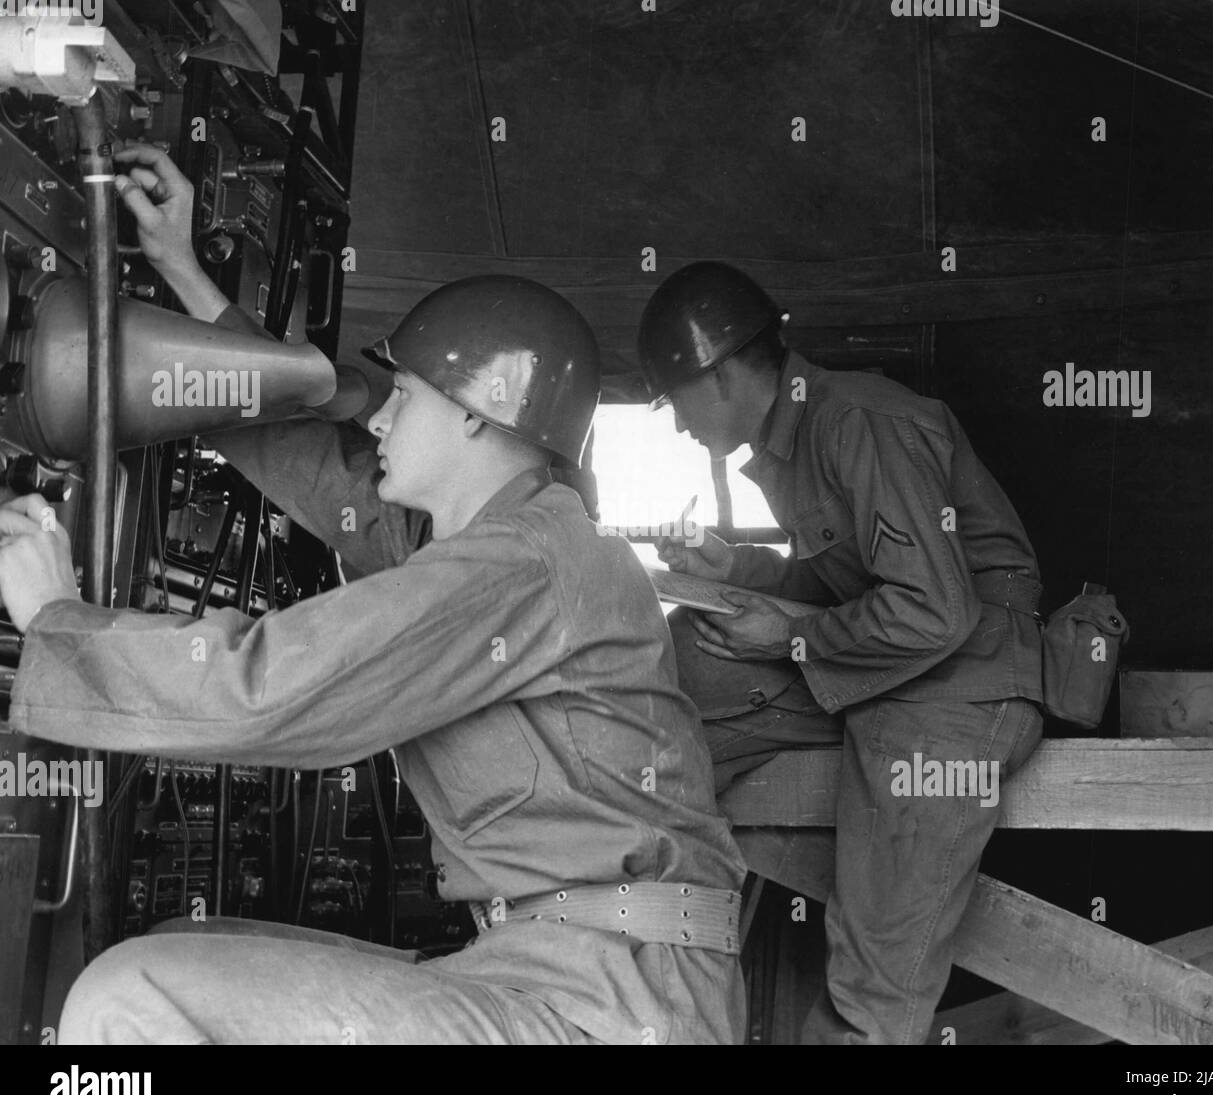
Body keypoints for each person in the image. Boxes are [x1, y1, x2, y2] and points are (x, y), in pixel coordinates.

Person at [0, 151, 747, 1045]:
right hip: (553, 972)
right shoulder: (476, 543)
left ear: (480, 410)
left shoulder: (524, 564)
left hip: (606, 1008)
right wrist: (184, 272)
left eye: (407, 397)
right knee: (183, 947)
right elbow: (310, 460)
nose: (382, 419)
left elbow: (281, 684)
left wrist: (59, 623)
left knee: (129, 997)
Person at [638, 260, 1044, 1045]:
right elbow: (852, 587)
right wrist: (740, 572)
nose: (679, 424)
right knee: (677, 668)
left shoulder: (856, 419)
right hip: (890, 668)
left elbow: (934, 608)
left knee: (870, 997)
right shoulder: (796, 435)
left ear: (718, 374)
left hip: (960, 688)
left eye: (676, 400)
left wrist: (787, 636)